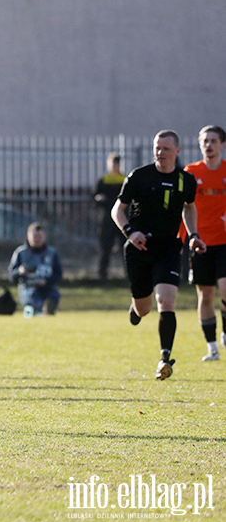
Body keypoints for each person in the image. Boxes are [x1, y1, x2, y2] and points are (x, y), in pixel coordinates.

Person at [111, 130, 206, 381]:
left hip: (169, 249)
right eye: (157, 148)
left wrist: (193, 234)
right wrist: (130, 232)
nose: (160, 152)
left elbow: (189, 208)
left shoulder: (186, 180)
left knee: (166, 300)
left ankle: (165, 358)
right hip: (139, 248)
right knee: (144, 309)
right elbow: (117, 210)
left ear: (177, 151)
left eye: (166, 148)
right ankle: (136, 308)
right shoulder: (139, 176)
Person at [182, 125, 226, 361]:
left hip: (225, 240)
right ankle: (212, 347)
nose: (208, 145)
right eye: (205, 141)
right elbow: (183, 207)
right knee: (206, 294)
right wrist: (189, 235)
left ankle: (225, 332)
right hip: (200, 242)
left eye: (213, 140)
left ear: (222, 145)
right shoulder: (190, 172)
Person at [8, 222, 63, 317]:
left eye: (40, 236)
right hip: (28, 288)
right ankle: (36, 310)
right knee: (33, 299)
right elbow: (11, 276)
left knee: (54, 295)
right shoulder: (20, 253)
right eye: (35, 236)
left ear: (44, 237)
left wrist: (46, 281)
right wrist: (20, 271)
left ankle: (48, 309)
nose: (37, 239)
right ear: (28, 236)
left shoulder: (52, 253)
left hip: (47, 288)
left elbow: (58, 275)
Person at [94, 152, 127, 279]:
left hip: (122, 218)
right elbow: (95, 196)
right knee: (105, 247)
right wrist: (98, 198)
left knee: (125, 246)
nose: (115, 166)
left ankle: (128, 274)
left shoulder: (124, 180)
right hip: (106, 218)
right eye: (113, 163)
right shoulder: (103, 181)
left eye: (117, 163)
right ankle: (102, 274)